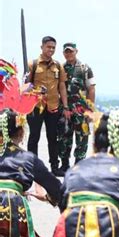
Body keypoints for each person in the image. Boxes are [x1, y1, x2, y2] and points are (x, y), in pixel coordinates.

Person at [0, 69, 62, 237]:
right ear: (20, 132)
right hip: (12, 205)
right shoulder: (27, 158)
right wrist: (52, 199)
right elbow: (56, 189)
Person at [26, 36, 68, 176]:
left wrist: (65, 106)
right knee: (34, 137)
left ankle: (54, 167)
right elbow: (25, 85)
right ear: (42, 47)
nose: (51, 50)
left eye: (53, 48)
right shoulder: (33, 64)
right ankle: (33, 168)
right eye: (48, 47)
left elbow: (61, 86)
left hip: (53, 106)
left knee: (53, 137)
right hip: (35, 107)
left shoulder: (58, 65)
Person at [58, 42, 96, 172]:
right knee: (64, 136)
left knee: (82, 136)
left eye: (71, 51)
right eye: (66, 52)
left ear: (76, 51)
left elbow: (91, 89)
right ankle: (64, 163)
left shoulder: (84, 68)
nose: (68, 54)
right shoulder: (60, 68)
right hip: (65, 109)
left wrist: (90, 109)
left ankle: (79, 164)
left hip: (81, 109)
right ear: (63, 53)